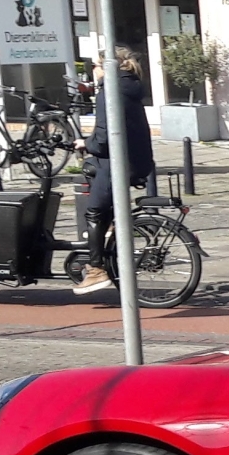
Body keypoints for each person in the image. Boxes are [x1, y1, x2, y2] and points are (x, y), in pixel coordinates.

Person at [75, 55, 155, 296]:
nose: (93, 69)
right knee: (92, 169)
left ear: (106, 67)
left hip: (120, 164)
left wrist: (85, 143)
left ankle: (97, 270)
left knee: (94, 210)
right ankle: (109, 230)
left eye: (96, 65)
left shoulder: (108, 91)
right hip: (138, 160)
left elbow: (103, 138)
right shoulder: (130, 86)